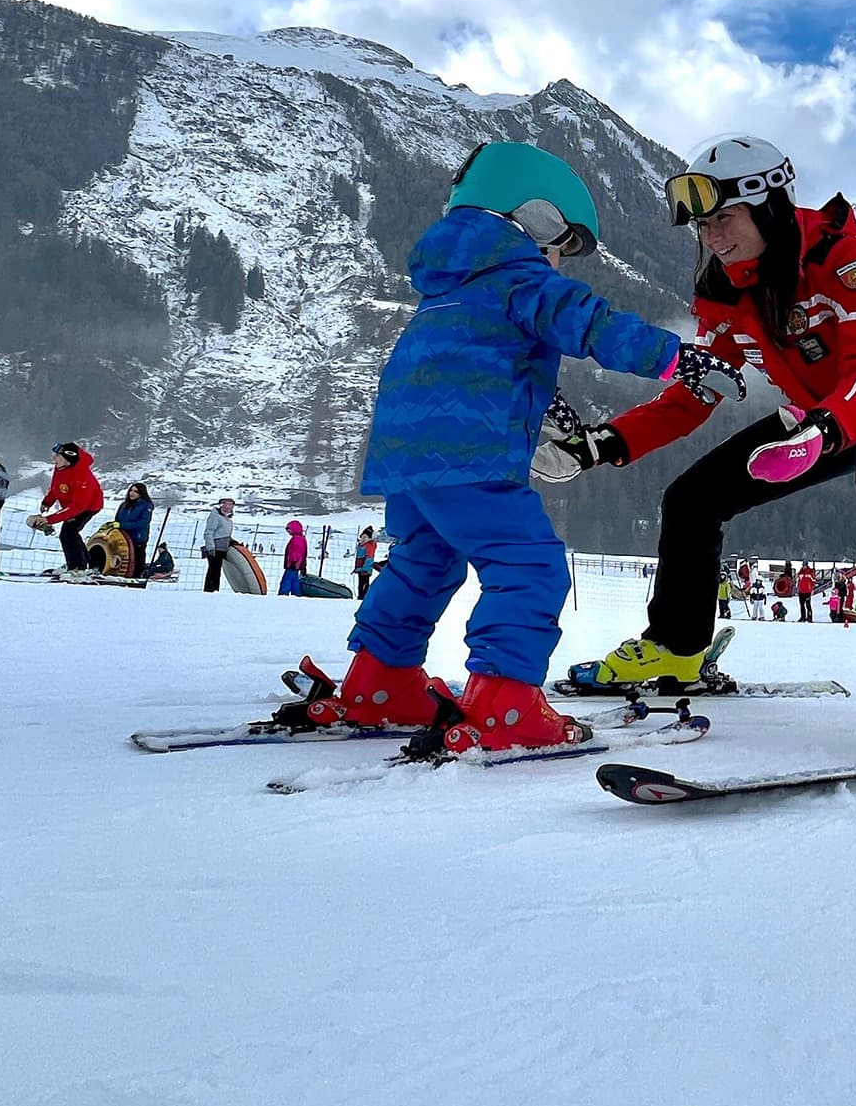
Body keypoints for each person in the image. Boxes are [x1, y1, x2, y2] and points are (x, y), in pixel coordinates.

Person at [542, 134, 856, 750]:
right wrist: (603, 443)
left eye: (725, 217)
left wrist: (823, 433)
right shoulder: (722, 293)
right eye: (702, 224)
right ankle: (675, 650)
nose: (712, 236)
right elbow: (695, 394)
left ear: (768, 204)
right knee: (692, 498)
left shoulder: (839, 256)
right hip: (819, 416)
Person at [272, 140, 737, 754]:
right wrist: (677, 357)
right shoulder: (520, 277)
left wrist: (542, 403)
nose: (560, 260)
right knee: (530, 566)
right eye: (562, 242)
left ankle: (379, 684)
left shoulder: (447, 289)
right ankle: (505, 703)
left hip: (407, 461)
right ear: (535, 215)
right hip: (471, 459)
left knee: (426, 562)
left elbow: (471, 366)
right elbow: (590, 325)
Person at [32, 442, 103, 573]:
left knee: (68, 533)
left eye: (58, 456)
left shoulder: (82, 475)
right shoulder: (60, 467)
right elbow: (56, 486)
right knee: (70, 533)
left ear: (68, 459)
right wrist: (47, 502)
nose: (54, 459)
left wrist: (49, 519)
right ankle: (86, 564)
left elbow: (78, 506)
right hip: (71, 505)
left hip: (87, 507)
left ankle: (77, 568)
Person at [115, 481, 154, 575]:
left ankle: (137, 576)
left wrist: (122, 525)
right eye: (131, 490)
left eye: (135, 491)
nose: (132, 493)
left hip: (137, 537)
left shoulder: (146, 506)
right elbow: (118, 519)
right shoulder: (124, 505)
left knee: (137, 558)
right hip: (123, 537)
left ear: (141, 493)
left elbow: (143, 523)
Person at [201, 497, 237, 592]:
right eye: (225, 504)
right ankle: (209, 590)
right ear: (221, 505)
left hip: (223, 549)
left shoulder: (228, 521)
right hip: (215, 548)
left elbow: (225, 535)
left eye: (230, 505)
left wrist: (233, 542)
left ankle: (215, 589)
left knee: (217, 571)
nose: (227, 507)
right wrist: (210, 547)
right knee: (213, 570)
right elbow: (209, 532)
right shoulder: (215, 517)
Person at [278, 518, 308, 595]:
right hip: (296, 564)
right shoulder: (300, 538)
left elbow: (296, 552)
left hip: (293, 564)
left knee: (286, 580)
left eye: (289, 529)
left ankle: (283, 594)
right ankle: (297, 594)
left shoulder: (296, 539)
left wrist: (293, 562)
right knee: (295, 581)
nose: (288, 531)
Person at [353, 526, 377, 599]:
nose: (363, 539)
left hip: (365, 570)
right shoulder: (362, 545)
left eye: (365, 537)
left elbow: (369, 558)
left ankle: (363, 597)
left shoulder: (369, 546)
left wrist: (365, 569)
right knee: (360, 583)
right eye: (362, 537)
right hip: (361, 569)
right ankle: (361, 596)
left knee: (364, 583)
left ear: (370, 538)